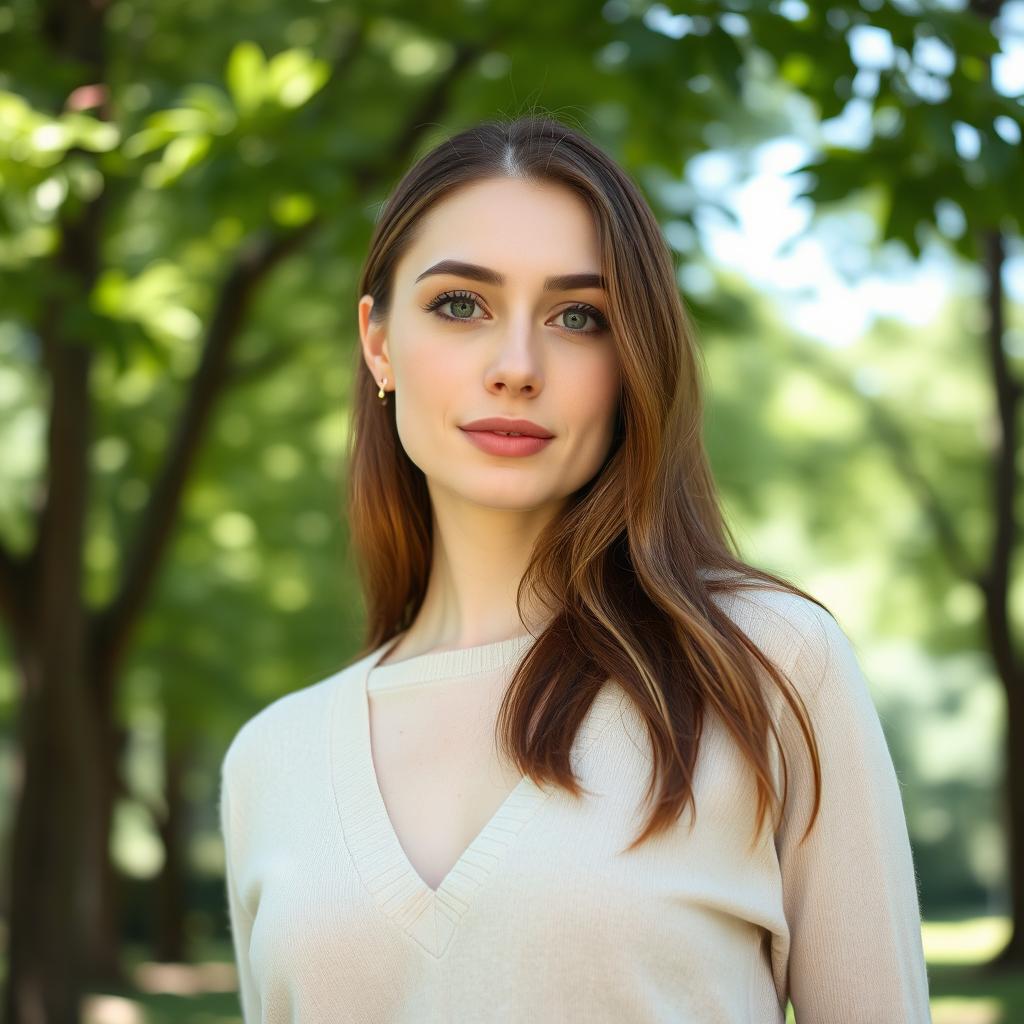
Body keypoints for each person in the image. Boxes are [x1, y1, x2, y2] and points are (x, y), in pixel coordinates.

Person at [218, 114, 932, 1023]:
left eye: (579, 317)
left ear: (633, 359)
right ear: (379, 342)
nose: (516, 367)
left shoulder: (765, 667)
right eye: (460, 304)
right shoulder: (269, 762)